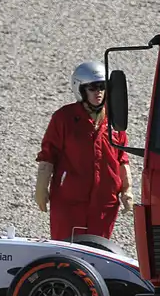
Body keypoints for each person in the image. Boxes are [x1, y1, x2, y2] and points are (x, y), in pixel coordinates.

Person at [34, 60, 133, 241]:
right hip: (69, 202)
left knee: (97, 253)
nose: (98, 92)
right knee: (66, 251)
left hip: (104, 203)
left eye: (102, 87)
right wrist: (41, 186)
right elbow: (48, 154)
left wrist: (127, 190)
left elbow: (122, 158)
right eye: (92, 88)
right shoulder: (63, 118)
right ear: (80, 89)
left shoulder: (115, 120)